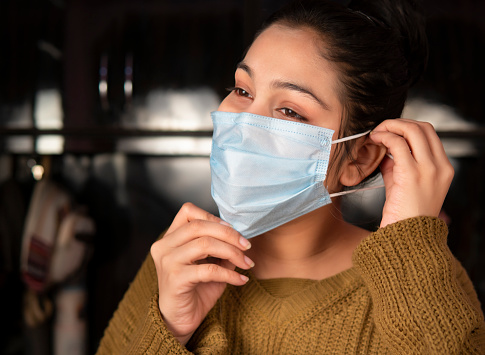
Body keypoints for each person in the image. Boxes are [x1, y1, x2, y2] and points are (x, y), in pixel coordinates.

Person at [96, 0, 485, 353]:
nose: (245, 120)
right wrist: (170, 327)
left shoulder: (422, 284)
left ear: (361, 159)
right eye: (242, 89)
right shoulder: (180, 257)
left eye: (290, 111)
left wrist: (409, 248)